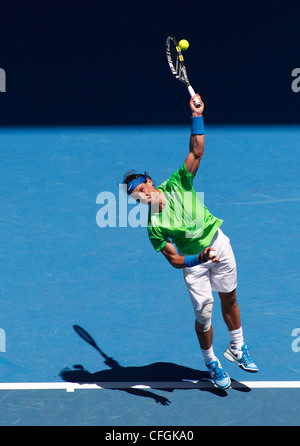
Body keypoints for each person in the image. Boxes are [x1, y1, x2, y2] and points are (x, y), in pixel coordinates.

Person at [122, 94, 258, 390]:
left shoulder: (179, 181)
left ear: (150, 182)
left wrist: (197, 114)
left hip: (218, 242)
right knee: (205, 315)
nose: (142, 196)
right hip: (196, 265)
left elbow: (196, 152)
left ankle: (237, 346)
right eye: (136, 197)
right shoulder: (154, 226)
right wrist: (200, 259)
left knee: (230, 297)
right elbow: (174, 260)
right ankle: (211, 361)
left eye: (142, 188)